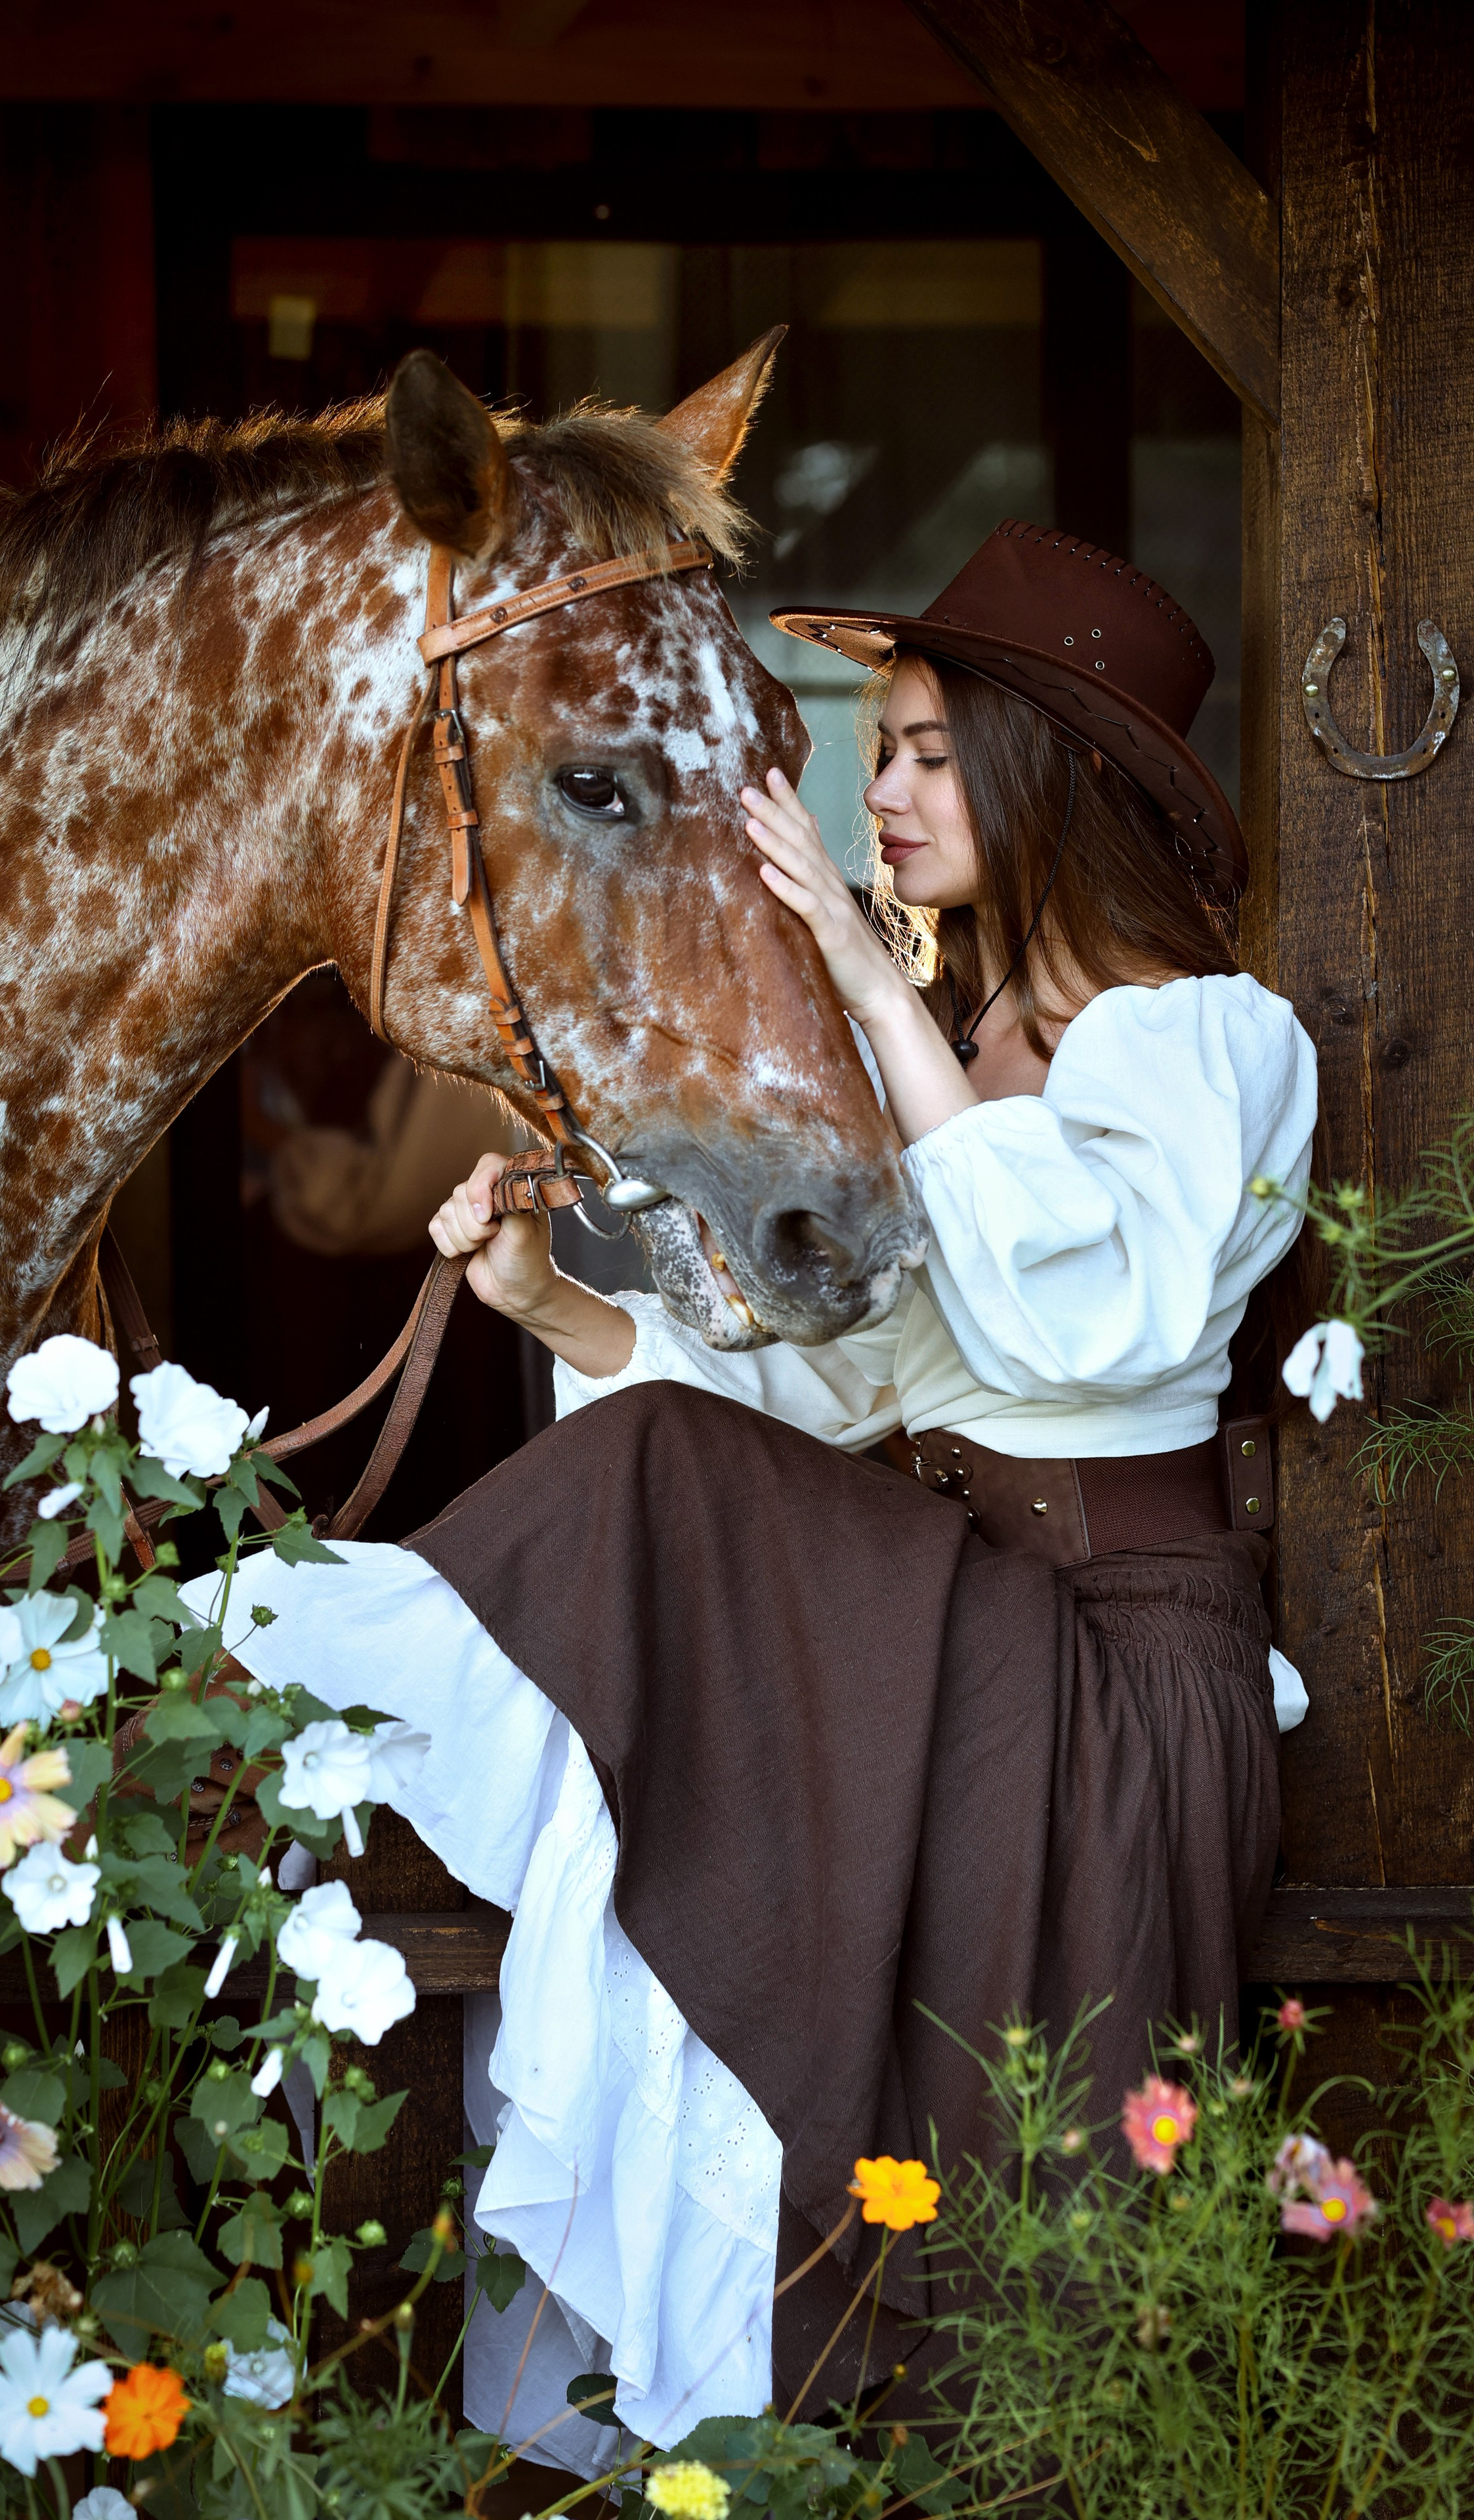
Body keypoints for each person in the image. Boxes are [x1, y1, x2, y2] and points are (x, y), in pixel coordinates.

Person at [216, 522, 1317, 2469]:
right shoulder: (949, 1054)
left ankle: (294, 1675)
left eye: (921, 751)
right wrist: (549, 1296)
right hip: (944, 1655)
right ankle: (325, 1708)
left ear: (1048, 776)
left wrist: (867, 999)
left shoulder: (1196, 1035)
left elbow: (1087, 1317)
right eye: (874, 751)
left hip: (1104, 1684)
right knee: (660, 1464)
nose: (875, 794)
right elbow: (804, 1411)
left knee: (1021, 2281)